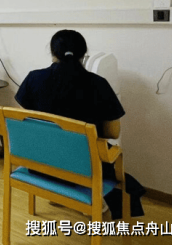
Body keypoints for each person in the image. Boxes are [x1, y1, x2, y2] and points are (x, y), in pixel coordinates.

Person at [15, 29, 145, 220]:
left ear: (52, 53)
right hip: (85, 170)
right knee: (110, 160)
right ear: (83, 55)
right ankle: (94, 203)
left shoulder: (33, 78)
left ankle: (66, 197)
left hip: (39, 165)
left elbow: (25, 121)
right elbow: (113, 132)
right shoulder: (99, 84)